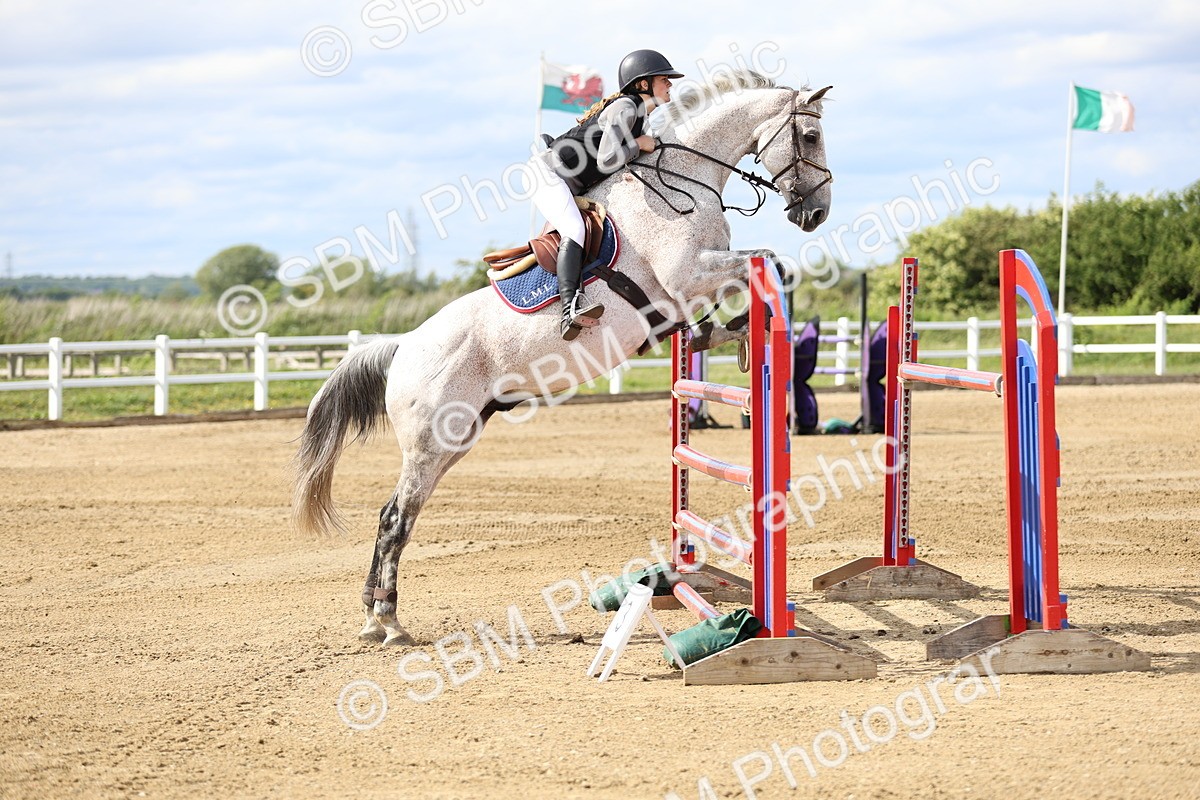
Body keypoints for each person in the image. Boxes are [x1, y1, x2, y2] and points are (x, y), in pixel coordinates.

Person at [532, 49, 684, 340]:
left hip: (574, 180)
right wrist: (639, 144)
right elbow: (607, 160)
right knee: (574, 228)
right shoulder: (627, 107)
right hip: (548, 175)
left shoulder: (640, 116)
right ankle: (570, 310)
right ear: (643, 84)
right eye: (665, 79)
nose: (670, 85)